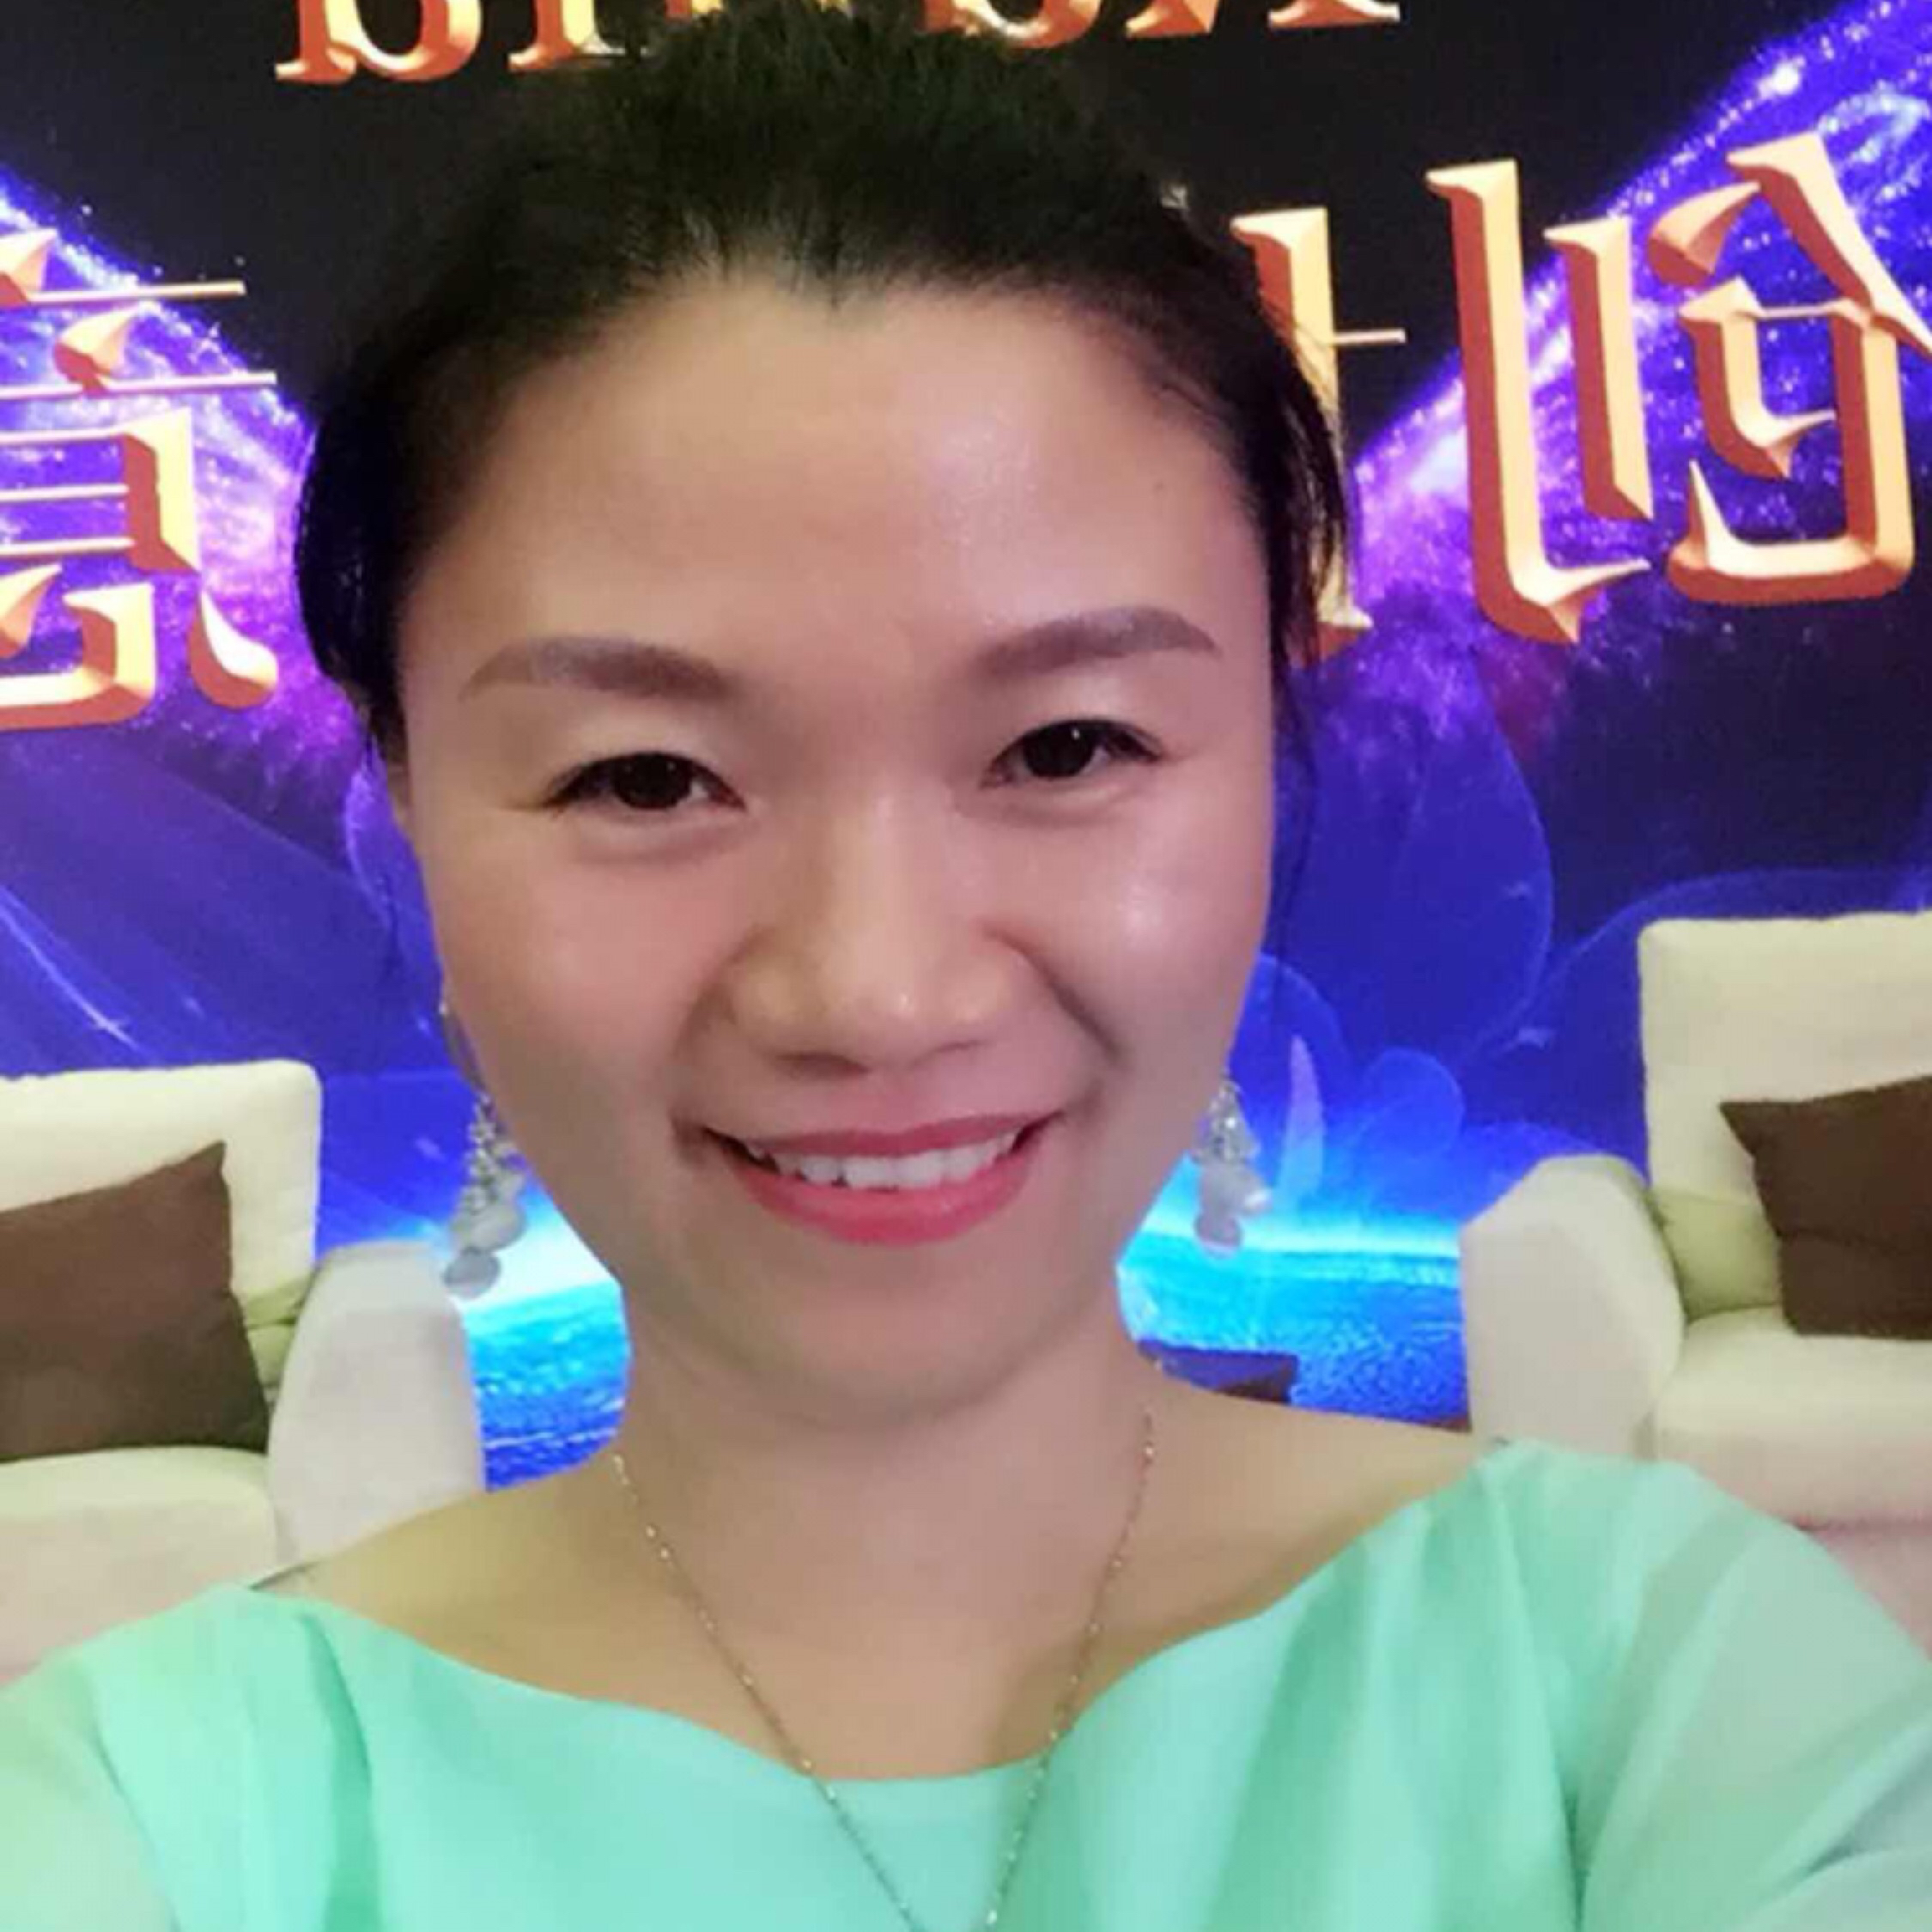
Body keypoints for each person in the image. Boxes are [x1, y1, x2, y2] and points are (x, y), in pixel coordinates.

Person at [3, 1, 1930, 1924]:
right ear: (412, 816)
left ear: (1263, 770)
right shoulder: (152, 1810)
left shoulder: (1664, 1687)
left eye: (1067, 746)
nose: (876, 990)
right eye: (646, 776)